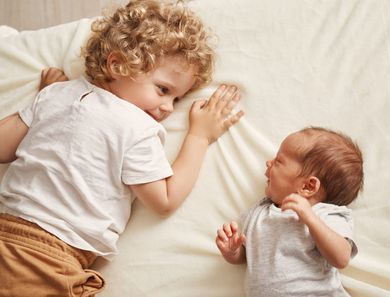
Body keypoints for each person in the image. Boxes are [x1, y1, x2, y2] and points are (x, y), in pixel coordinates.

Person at [0, 0, 244, 296]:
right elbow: (164, 199)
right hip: (49, 259)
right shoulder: (137, 126)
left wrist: (44, 103)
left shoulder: (58, 95)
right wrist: (199, 137)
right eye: (163, 90)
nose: (168, 107)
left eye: (177, 101)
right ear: (117, 65)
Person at [216, 127, 364, 297]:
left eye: (278, 161)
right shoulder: (258, 213)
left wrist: (310, 218)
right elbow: (247, 257)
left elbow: (341, 258)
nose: (268, 163)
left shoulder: (324, 214)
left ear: (308, 186)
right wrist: (233, 252)